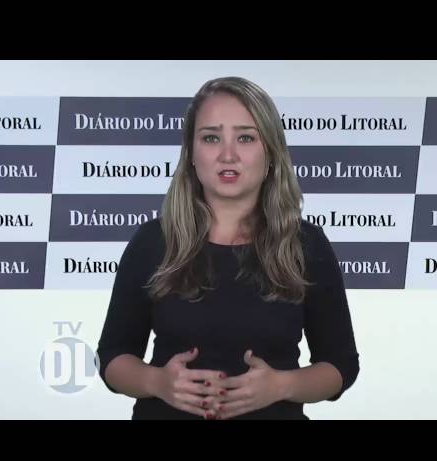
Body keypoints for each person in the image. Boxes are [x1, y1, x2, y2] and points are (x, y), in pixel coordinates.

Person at [96, 76, 359, 420]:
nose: (228, 155)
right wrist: (156, 382)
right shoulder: (152, 241)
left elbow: (340, 365)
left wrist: (282, 386)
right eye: (211, 138)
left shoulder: (305, 245)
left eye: (245, 137)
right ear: (191, 153)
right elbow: (112, 356)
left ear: (270, 152)